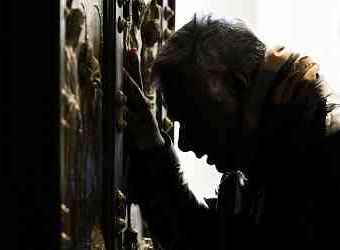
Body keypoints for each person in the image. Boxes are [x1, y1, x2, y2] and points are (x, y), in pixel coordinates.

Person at [123, 14, 340, 250]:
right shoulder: (287, 143)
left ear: (238, 84)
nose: (185, 143)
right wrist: (153, 148)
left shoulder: (324, 155)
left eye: (194, 117)